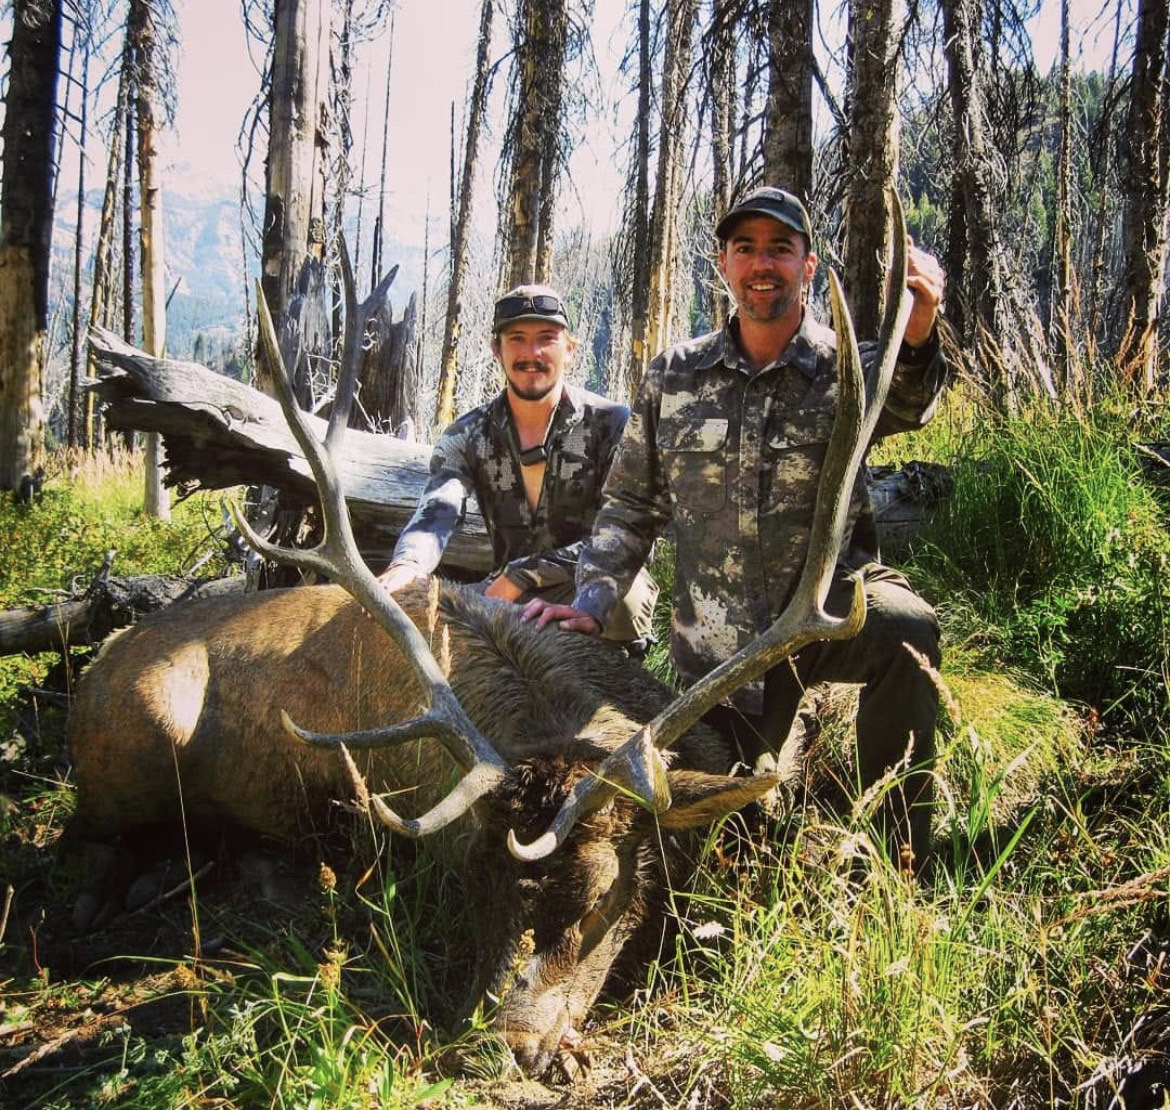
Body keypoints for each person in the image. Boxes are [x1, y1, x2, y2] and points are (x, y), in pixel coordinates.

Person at [523, 186, 948, 866]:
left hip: (826, 614)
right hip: (721, 651)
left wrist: (921, 327)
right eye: (745, 248)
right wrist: (593, 600)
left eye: (780, 249)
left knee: (908, 631)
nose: (762, 264)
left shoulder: (849, 369)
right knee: (728, 845)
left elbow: (909, 398)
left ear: (808, 266)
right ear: (722, 263)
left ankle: (901, 860)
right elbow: (631, 506)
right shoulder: (674, 376)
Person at [378, 283, 658, 648]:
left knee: (626, 596)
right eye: (517, 339)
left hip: (586, 587)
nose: (532, 353)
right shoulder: (467, 435)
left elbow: (631, 539)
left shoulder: (613, 424)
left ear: (570, 349)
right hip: (508, 598)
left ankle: (612, 668)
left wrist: (523, 574)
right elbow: (437, 512)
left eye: (546, 338)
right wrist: (408, 566)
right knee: (414, 617)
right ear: (497, 350)